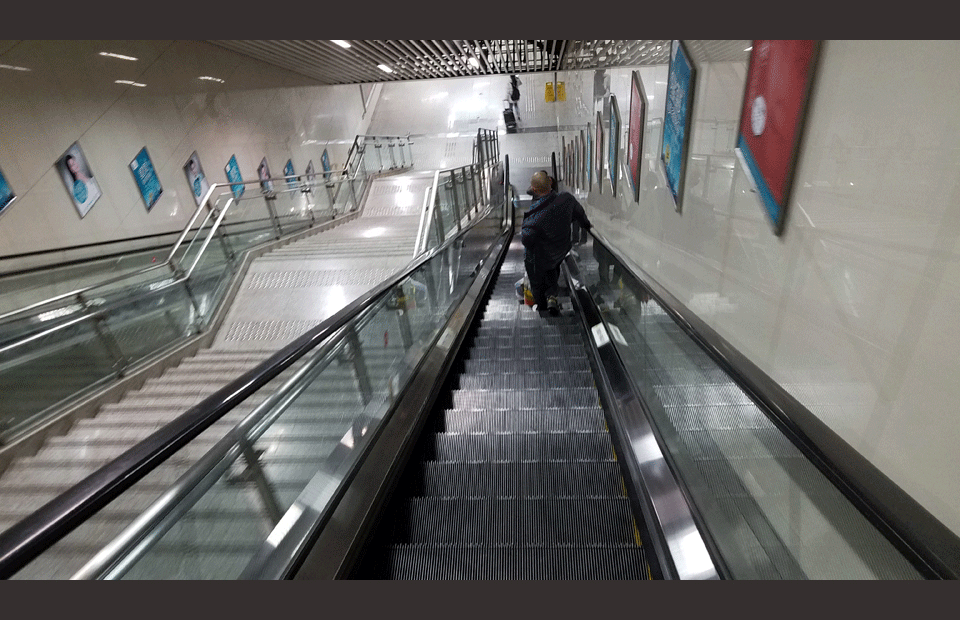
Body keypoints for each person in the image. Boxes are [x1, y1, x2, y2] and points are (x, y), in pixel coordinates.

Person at [521, 170, 592, 316]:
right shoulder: (566, 199)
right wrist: (586, 226)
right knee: (552, 266)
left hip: (540, 256)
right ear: (550, 182)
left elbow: (526, 239)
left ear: (534, 189)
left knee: (536, 274)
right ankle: (552, 296)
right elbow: (580, 214)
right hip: (560, 250)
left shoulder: (535, 214)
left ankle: (542, 307)